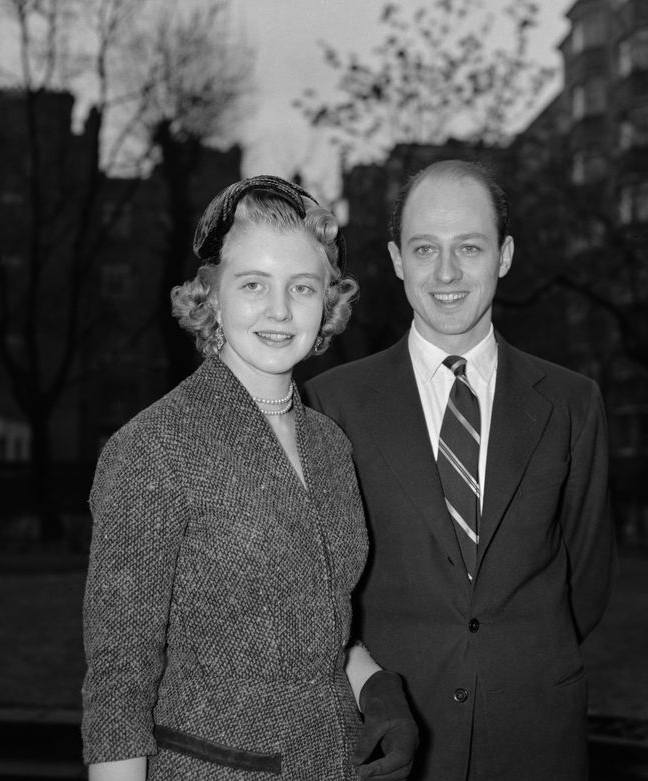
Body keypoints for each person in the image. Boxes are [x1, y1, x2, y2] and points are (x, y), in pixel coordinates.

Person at [81, 176, 417, 781]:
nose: (280, 310)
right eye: (253, 284)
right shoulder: (154, 449)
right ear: (212, 296)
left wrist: (376, 690)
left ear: (328, 303)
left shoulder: (330, 445)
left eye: (302, 287)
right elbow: (118, 686)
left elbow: (321, 625)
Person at [305, 160, 616, 780]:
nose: (446, 273)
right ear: (396, 259)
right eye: (425, 249)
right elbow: (319, 591)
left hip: (536, 735)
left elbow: (587, 574)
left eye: (468, 248)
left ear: (503, 256)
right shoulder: (329, 405)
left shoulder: (572, 403)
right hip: (392, 743)